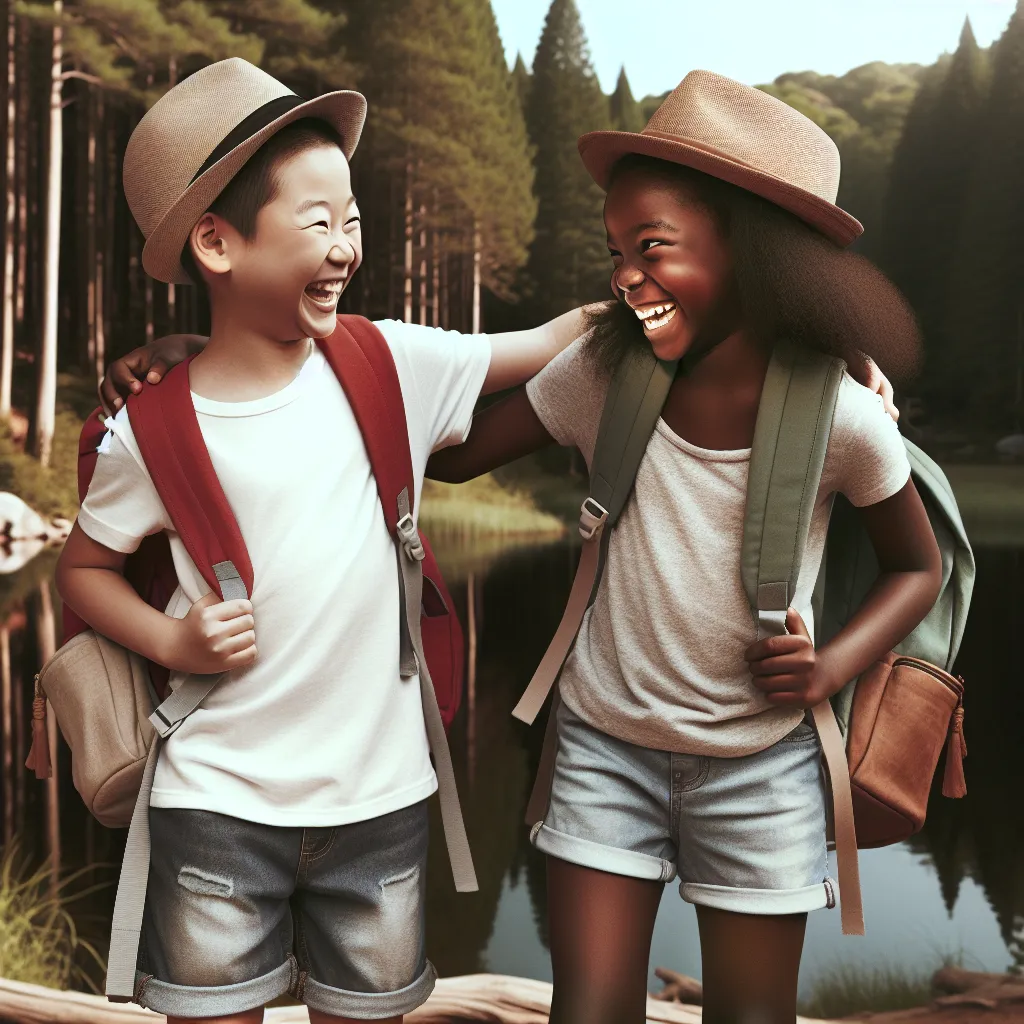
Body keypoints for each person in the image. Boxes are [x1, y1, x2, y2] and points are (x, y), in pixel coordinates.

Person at [99, 70, 914, 1024]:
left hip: (762, 760)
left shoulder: (846, 417)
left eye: (649, 247)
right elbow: (442, 447)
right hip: (598, 749)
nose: (621, 274)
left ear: (762, 254)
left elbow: (916, 563)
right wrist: (214, 362)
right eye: (618, 249)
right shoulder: (606, 372)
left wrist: (833, 666)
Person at [58, 58, 598, 1024]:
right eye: (318, 222)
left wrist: (775, 325)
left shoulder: (390, 360)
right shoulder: (155, 428)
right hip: (212, 803)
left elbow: (558, 340)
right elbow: (86, 570)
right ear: (217, 245)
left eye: (352, 220)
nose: (347, 246)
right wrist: (172, 641)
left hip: (381, 802)